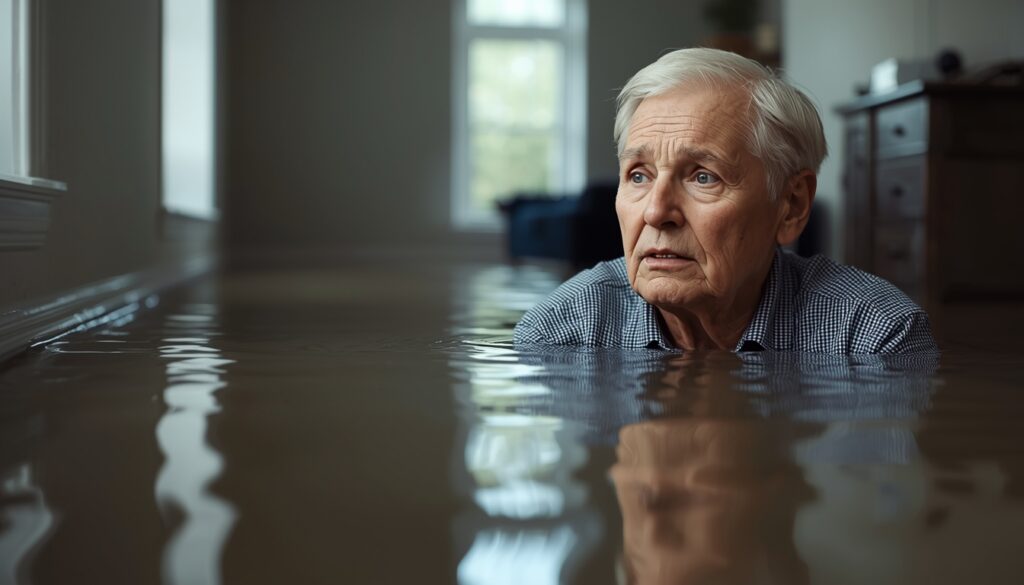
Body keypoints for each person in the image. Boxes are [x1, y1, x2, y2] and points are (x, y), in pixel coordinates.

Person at [514, 48, 937, 354]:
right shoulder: (562, 332)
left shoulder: (875, 338)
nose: (657, 212)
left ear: (791, 206)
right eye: (639, 175)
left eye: (703, 177)